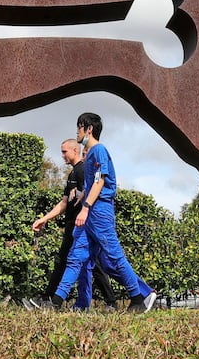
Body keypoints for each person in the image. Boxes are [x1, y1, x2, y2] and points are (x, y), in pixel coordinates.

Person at [50, 112, 157, 313]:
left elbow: (101, 181)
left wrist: (86, 207)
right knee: (75, 257)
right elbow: (92, 183)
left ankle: (137, 298)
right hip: (89, 211)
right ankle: (55, 302)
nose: (77, 131)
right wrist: (82, 197)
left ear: (88, 129)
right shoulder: (90, 154)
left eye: (79, 127)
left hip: (99, 212)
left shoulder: (99, 150)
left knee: (114, 255)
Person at [24, 139, 119, 311]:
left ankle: (49, 300)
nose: (62, 156)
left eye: (64, 151)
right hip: (72, 226)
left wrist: (85, 209)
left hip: (81, 226)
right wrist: (45, 218)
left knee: (77, 263)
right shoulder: (72, 174)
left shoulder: (83, 171)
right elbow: (64, 203)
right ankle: (106, 301)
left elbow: (92, 194)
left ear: (75, 150)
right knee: (88, 263)